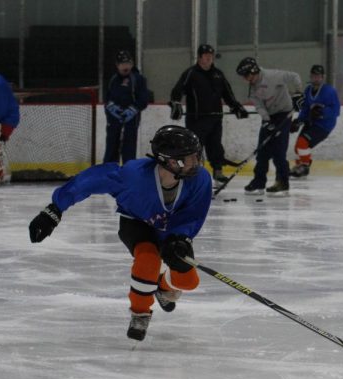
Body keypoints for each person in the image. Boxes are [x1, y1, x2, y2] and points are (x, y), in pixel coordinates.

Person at [28, 125, 212, 342]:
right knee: (147, 259)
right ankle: (140, 313)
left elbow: (193, 214)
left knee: (188, 281)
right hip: (136, 223)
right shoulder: (133, 176)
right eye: (188, 158)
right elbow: (91, 180)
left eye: (195, 156)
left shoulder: (200, 179)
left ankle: (163, 287)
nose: (195, 162)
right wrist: (55, 209)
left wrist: (180, 236)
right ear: (168, 160)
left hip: (169, 229)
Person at [169, 44, 249, 184]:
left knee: (215, 146)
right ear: (200, 57)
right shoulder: (191, 73)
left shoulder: (218, 74)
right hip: (197, 118)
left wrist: (235, 106)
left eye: (211, 57)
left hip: (215, 117)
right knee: (195, 147)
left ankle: (218, 171)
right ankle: (193, 172)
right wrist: (175, 104)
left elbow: (227, 93)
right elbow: (178, 90)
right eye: (206, 56)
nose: (209, 59)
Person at [236, 57, 303, 196]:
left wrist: (298, 93)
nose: (246, 79)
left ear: (253, 71)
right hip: (270, 117)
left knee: (279, 151)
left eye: (246, 75)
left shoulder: (272, 76)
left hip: (284, 114)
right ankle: (259, 181)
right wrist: (266, 121)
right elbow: (259, 105)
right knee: (262, 152)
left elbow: (294, 76)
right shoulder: (253, 88)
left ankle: (282, 182)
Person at [289, 64, 340, 179]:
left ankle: (304, 167)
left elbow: (336, 110)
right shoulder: (308, 90)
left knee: (302, 143)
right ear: (311, 76)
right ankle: (301, 166)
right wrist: (299, 120)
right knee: (298, 147)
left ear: (323, 77)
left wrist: (322, 112)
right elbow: (306, 108)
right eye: (314, 76)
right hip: (310, 122)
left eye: (318, 76)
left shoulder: (329, 91)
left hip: (324, 125)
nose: (316, 78)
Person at [103, 50, 150, 165]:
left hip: (131, 121)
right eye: (122, 64)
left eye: (128, 63)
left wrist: (133, 110)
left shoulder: (138, 79)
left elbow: (144, 98)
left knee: (129, 149)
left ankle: (128, 173)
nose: (125, 66)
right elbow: (107, 98)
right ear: (117, 65)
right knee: (111, 147)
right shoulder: (113, 79)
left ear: (132, 64)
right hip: (114, 121)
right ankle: (108, 173)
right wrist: (112, 108)